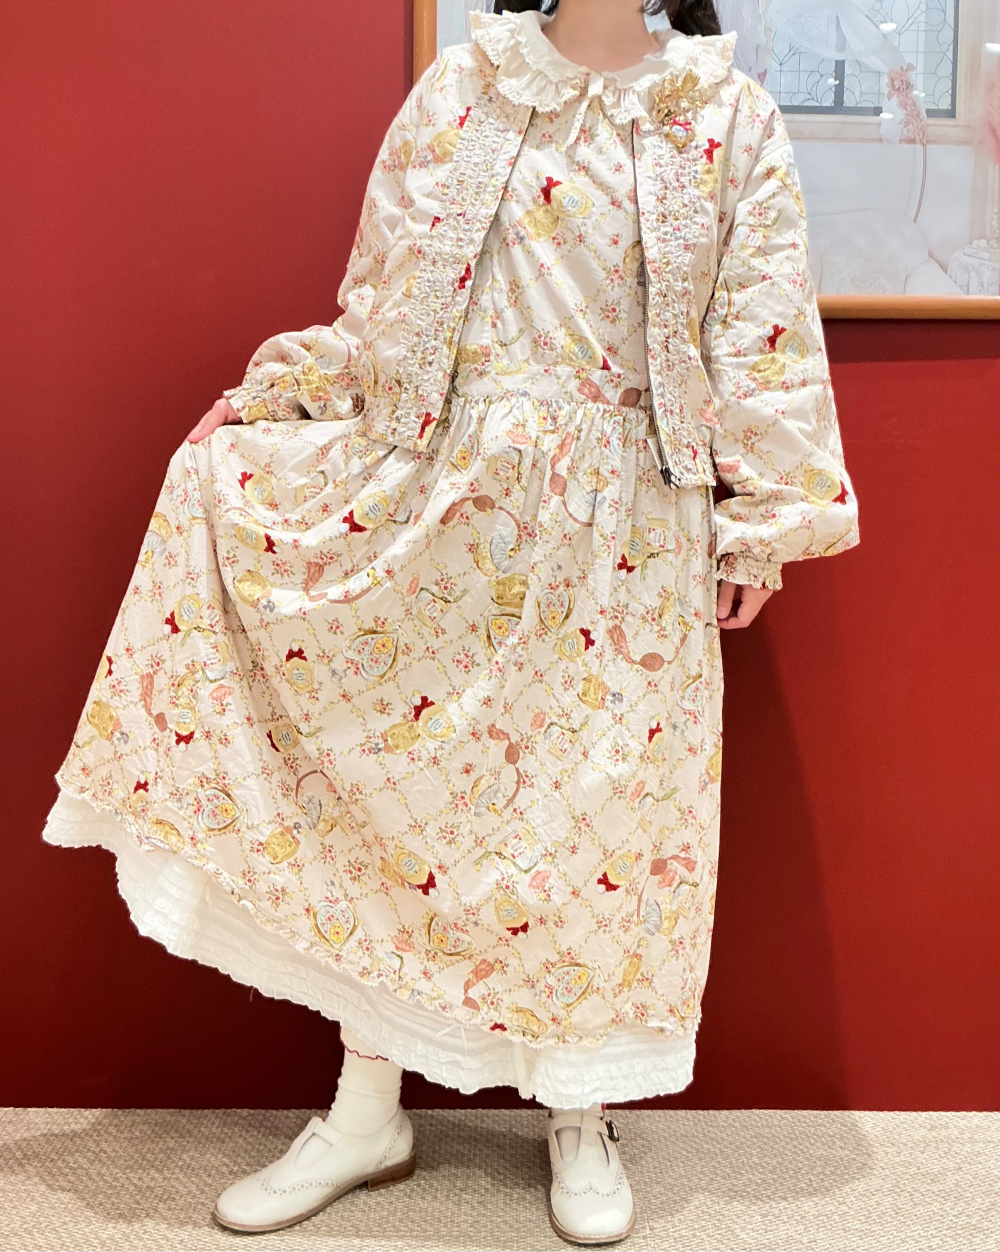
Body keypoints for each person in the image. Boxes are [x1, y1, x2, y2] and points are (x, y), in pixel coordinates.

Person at [44, 0, 859, 1243]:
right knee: (403, 799)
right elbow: (385, 305)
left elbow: (766, 330)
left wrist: (764, 519)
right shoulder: (463, 88)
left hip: (629, 523)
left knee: (599, 817)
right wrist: (280, 398)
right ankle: (364, 1109)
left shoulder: (726, 114)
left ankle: (578, 1112)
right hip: (444, 500)